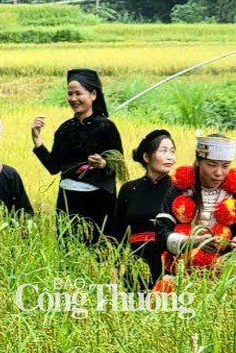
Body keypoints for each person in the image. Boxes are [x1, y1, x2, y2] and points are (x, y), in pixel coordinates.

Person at [31, 68, 123, 246]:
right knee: (69, 250)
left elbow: (118, 164)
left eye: (78, 93)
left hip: (98, 202)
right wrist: (36, 139)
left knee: (99, 251)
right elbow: (54, 168)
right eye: (70, 94)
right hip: (68, 201)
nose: (73, 98)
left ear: (93, 95)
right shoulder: (65, 129)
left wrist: (103, 164)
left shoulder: (106, 127)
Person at [154, 134, 236, 291]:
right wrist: (191, 242)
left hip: (222, 277)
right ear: (198, 162)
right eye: (212, 165)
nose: (219, 173)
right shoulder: (180, 190)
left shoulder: (233, 192)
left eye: (225, 166)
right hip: (181, 274)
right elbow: (161, 231)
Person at [112, 129, 175, 290]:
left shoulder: (178, 189)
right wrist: (115, 269)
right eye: (163, 151)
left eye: (172, 151)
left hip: (168, 263)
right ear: (147, 157)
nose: (170, 156)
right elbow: (117, 233)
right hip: (137, 263)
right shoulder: (129, 189)